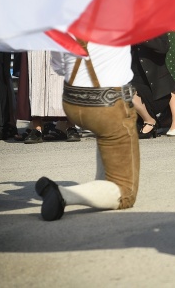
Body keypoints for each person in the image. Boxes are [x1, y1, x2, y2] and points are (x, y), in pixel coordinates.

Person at [35, 43, 138, 221]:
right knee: (125, 194)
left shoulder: (66, 20)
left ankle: (104, 183)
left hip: (73, 103)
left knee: (105, 133)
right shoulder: (122, 17)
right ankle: (62, 194)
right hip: (108, 104)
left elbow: (58, 67)